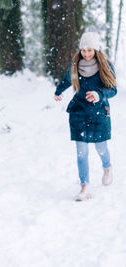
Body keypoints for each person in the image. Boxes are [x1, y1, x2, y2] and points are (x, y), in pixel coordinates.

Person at [54, 32, 117, 201]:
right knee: (81, 151)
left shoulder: (105, 65)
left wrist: (99, 94)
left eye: (90, 50)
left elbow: (113, 89)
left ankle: (107, 167)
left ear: (96, 50)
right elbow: (68, 80)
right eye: (83, 50)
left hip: (99, 113)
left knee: (100, 148)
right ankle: (84, 187)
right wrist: (58, 91)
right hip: (79, 111)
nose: (86, 54)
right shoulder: (76, 65)